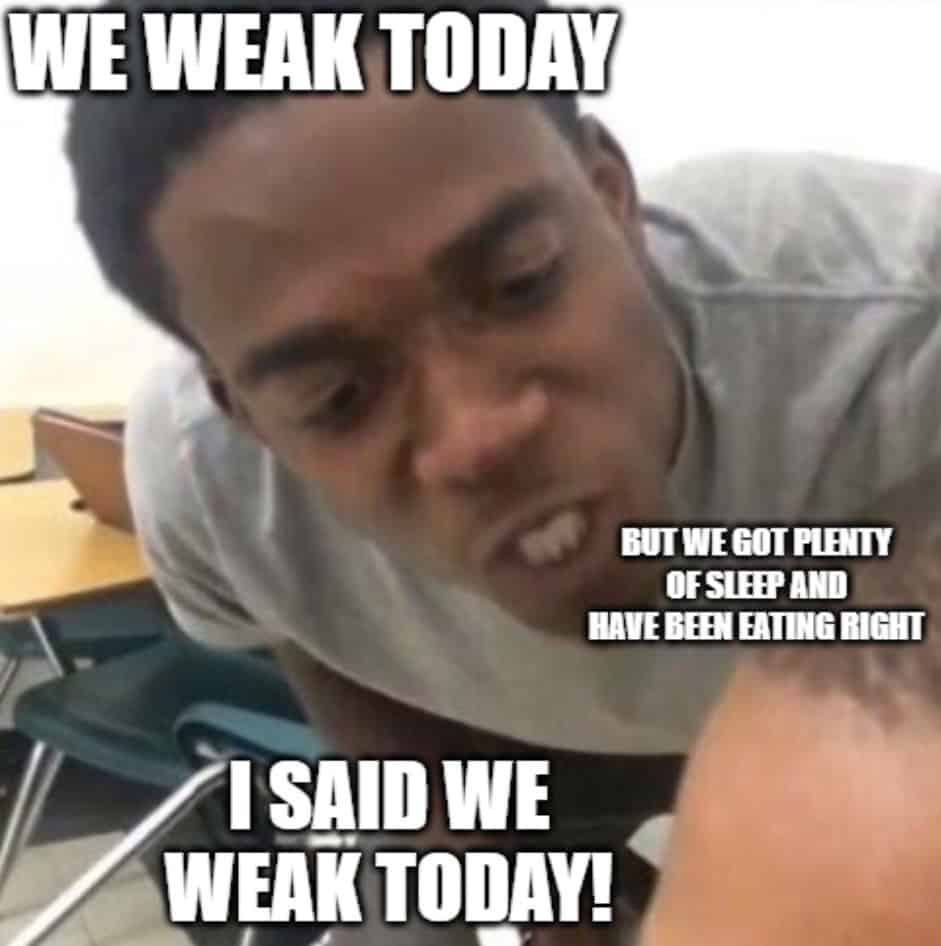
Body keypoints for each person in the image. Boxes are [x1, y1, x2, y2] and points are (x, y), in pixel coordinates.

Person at [65, 0, 941, 940]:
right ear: (248, 416)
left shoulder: (902, 336)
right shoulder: (210, 484)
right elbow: (303, 629)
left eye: (522, 282)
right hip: (517, 756)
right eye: (337, 397)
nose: (478, 435)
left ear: (611, 196)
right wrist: (524, 884)